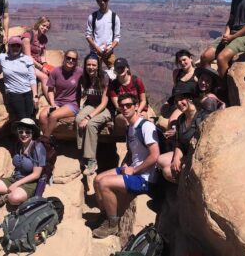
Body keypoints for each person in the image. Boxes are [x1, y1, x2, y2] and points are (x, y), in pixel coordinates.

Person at [93, 93, 159, 238]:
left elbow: (155, 155)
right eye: (122, 106)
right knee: (97, 179)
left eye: (128, 105)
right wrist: (124, 164)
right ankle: (106, 215)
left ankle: (112, 224)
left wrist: (133, 170)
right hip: (132, 168)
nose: (125, 108)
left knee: (104, 183)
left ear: (136, 107)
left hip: (145, 178)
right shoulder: (130, 127)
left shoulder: (146, 126)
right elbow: (132, 152)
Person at [157, 84, 210, 183]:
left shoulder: (202, 117)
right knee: (160, 160)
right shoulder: (181, 119)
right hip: (185, 154)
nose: (179, 103)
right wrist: (176, 158)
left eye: (181, 99)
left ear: (190, 98)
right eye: (176, 101)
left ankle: (186, 187)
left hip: (197, 156)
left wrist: (186, 160)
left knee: (167, 171)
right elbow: (179, 142)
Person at [76, 54, 112, 176]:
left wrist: (88, 117)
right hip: (91, 105)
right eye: (88, 64)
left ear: (98, 66)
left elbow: (104, 103)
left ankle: (91, 160)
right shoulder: (84, 77)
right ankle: (83, 152)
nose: (91, 67)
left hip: (105, 108)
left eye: (93, 65)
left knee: (90, 124)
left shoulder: (104, 78)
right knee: (78, 119)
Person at [0, 36, 38, 120]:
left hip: (28, 92)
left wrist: (35, 96)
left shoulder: (27, 59)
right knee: (22, 118)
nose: (15, 48)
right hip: (13, 93)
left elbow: (32, 78)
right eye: (13, 45)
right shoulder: (2, 58)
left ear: (21, 47)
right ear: (9, 46)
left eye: (18, 45)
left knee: (31, 117)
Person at [39, 49, 83, 137]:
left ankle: (45, 140)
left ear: (76, 61)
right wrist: (53, 104)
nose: (70, 60)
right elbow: (50, 90)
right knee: (42, 116)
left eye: (73, 59)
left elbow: (91, 77)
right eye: (68, 58)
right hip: (58, 102)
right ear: (64, 58)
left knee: (53, 115)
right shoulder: (56, 71)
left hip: (72, 104)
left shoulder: (79, 71)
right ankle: (48, 140)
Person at [85, 0, 121, 75]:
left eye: (105, 0)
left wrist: (111, 48)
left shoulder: (114, 17)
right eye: (100, 0)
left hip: (109, 53)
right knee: (93, 75)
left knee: (115, 74)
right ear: (97, 0)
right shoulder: (92, 17)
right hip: (95, 52)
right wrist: (97, 48)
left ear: (108, 0)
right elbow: (88, 35)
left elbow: (117, 37)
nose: (102, 2)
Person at [108, 58, 149, 124]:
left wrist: (138, 111)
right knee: (126, 120)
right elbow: (118, 106)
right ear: (115, 70)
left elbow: (143, 100)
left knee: (142, 119)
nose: (120, 70)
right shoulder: (113, 85)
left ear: (127, 68)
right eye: (118, 68)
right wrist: (129, 113)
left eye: (122, 67)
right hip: (123, 112)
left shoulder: (137, 81)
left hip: (139, 109)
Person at [22, 16, 52, 103]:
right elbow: (28, 57)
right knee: (44, 77)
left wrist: (45, 64)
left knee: (55, 72)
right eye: (43, 25)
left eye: (47, 27)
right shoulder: (28, 36)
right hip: (26, 64)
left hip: (37, 63)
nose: (45, 28)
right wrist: (41, 68)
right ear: (38, 24)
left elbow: (42, 54)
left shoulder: (43, 38)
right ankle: (51, 102)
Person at [165, 50, 197, 128]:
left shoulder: (196, 75)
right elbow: (176, 89)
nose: (182, 63)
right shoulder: (176, 73)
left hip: (191, 104)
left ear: (190, 58)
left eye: (184, 60)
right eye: (180, 61)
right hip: (179, 103)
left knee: (172, 121)